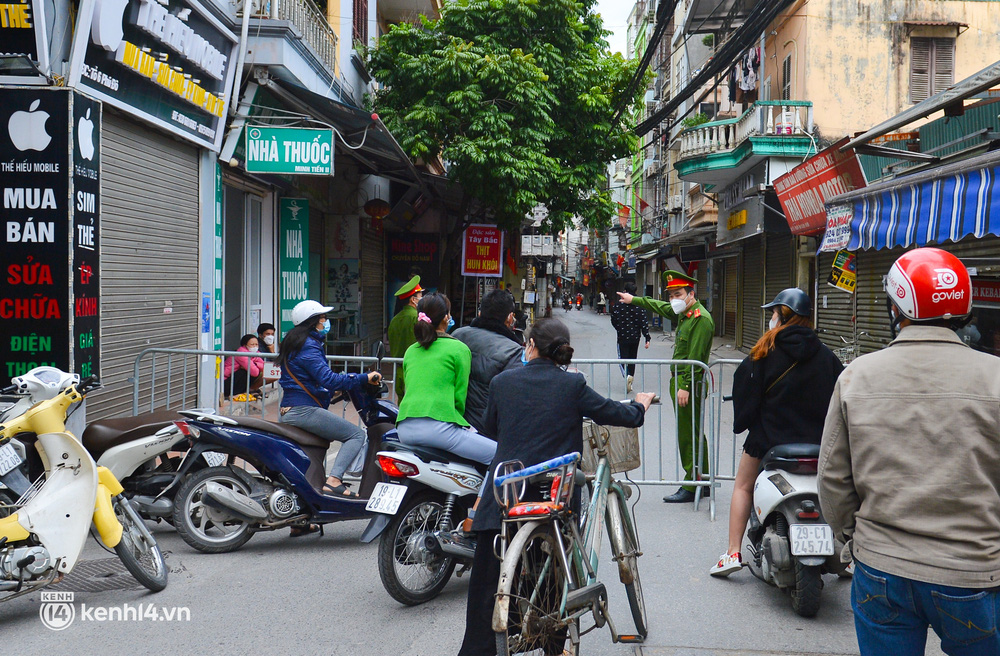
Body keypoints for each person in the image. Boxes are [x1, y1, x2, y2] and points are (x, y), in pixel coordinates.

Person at [818, 248, 1000, 656]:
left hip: (881, 569)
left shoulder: (856, 377)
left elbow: (832, 479)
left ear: (895, 307)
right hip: (974, 573)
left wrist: (856, 537)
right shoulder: (997, 378)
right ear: (965, 312)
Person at [458, 318, 654, 656]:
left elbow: (491, 429)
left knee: (488, 578)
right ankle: (554, 644)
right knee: (554, 574)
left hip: (506, 496)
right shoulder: (573, 385)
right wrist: (641, 404)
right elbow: (618, 415)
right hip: (554, 497)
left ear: (530, 346)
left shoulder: (502, 382)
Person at [710, 288, 842, 577]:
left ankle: (733, 552)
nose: (770, 318)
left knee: (743, 486)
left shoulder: (763, 353)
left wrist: (746, 420)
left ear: (783, 316)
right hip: (818, 444)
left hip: (769, 441)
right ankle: (846, 550)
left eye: (773, 313)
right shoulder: (827, 356)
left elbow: (745, 397)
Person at [277, 300, 382, 516]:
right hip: (301, 410)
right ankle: (334, 481)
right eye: (322, 318)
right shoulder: (307, 345)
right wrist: (364, 377)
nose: (326, 322)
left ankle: (301, 517)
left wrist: (334, 390)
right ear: (312, 321)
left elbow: (314, 380)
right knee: (355, 435)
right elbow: (328, 379)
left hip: (296, 407)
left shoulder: (300, 342)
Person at [618, 269, 714, 503]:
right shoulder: (686, 313)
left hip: (687, 383)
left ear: (691, 294)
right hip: (681, 381)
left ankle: (692, 484)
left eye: (678, 294)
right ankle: (702, 479)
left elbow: (697, 359)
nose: (673, 300)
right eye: (671, 295)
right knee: (691, 431)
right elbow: (659, 307)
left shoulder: (700, 319)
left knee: (688, 433)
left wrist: (686, 386)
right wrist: (635, 300)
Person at [396, 293, 497, 466]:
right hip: (439, 429)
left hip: (403, 429)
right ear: (446, 318)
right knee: (499, 455)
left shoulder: (411, 351)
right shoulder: (458, 349)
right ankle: (483, 495)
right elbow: (459, 397)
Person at [453, 289, 523, 435]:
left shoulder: (457, 335)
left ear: (480, 313)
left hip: (452, 423)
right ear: (510, 318)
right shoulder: (514, 351)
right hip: (487, 431)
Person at [610, 281, 651, 393]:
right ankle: (631, 377)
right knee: (633, 358)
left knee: (623, 358)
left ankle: (627, 376)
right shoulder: (639, 304)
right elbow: (643, 321)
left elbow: (613, 319)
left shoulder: (619, 305)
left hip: (623, 337)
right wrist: (647, 337)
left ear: (625, 291)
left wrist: (619, 328)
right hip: (635, 337)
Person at [387, 275, 423, 398]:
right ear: (413, 300)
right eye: (420, 296)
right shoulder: (417, 318)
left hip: (398, 370)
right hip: (415, 369)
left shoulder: (395, 319)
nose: (422, 299)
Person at [222, 334, 265, 399]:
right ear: (245, 345)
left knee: (258, 372)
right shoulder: (241, 354)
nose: (255, 347)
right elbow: (255, 372)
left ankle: (247, 390)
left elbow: (264, 367)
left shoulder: (255, 354)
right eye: (252, 344)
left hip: (233, 381)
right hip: (224, 383)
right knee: (246, 372)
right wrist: (256, 366)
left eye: (256, 344)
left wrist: (256, 365)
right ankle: (235, 393)